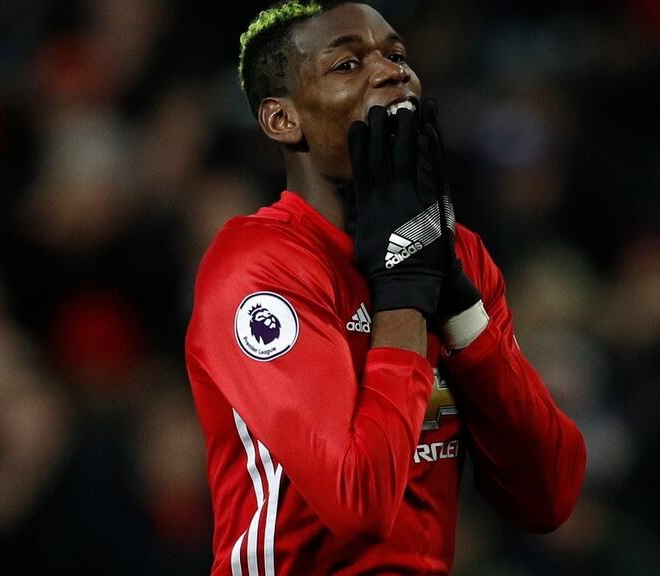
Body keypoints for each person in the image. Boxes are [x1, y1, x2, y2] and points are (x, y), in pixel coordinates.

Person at [185, 1, 587, 574]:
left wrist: (462, 314)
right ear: (282, 120)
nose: (391, 71)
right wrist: (403, 294)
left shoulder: (455, 251)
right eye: (347, 64)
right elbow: (359, 502)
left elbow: (549, 496)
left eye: (396, 55)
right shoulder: (258, 265)